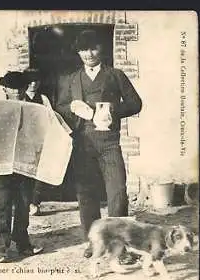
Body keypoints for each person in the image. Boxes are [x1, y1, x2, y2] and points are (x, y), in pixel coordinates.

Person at [55, 30, 142, 263]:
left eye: (93, 48)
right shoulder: (71, 79)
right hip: (82, 144)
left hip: (109, 144)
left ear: (100, 49)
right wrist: (72, 108)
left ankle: (119, 246)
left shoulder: (115, 75)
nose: (89, 54)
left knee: (117, 194)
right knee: (87, 196)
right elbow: (60, 107)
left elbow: (136, 104)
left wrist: (112, 110)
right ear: (78, 51)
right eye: (83, 49)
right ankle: (93, 242)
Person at [0, 71, 44, 263]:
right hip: (4, 163)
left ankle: (22, 242)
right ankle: (1, 247)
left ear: (25, 88)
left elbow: (41, 133)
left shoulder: (34, 109)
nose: (15, 91)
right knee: (2, 204)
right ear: (4, 88)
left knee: (23, 203)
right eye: (11, 87)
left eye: (19, 87)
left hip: (26, 162)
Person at [22, 68, 54, 216]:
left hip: (41, 139)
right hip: (24, 140)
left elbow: (51, 117)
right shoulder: (20, 98)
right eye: (30, 81)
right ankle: (23, 203)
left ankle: (35, 202)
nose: (33, 84)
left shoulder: (43, 98)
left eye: (36, 81)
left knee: (39, 172)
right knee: (24, 172)